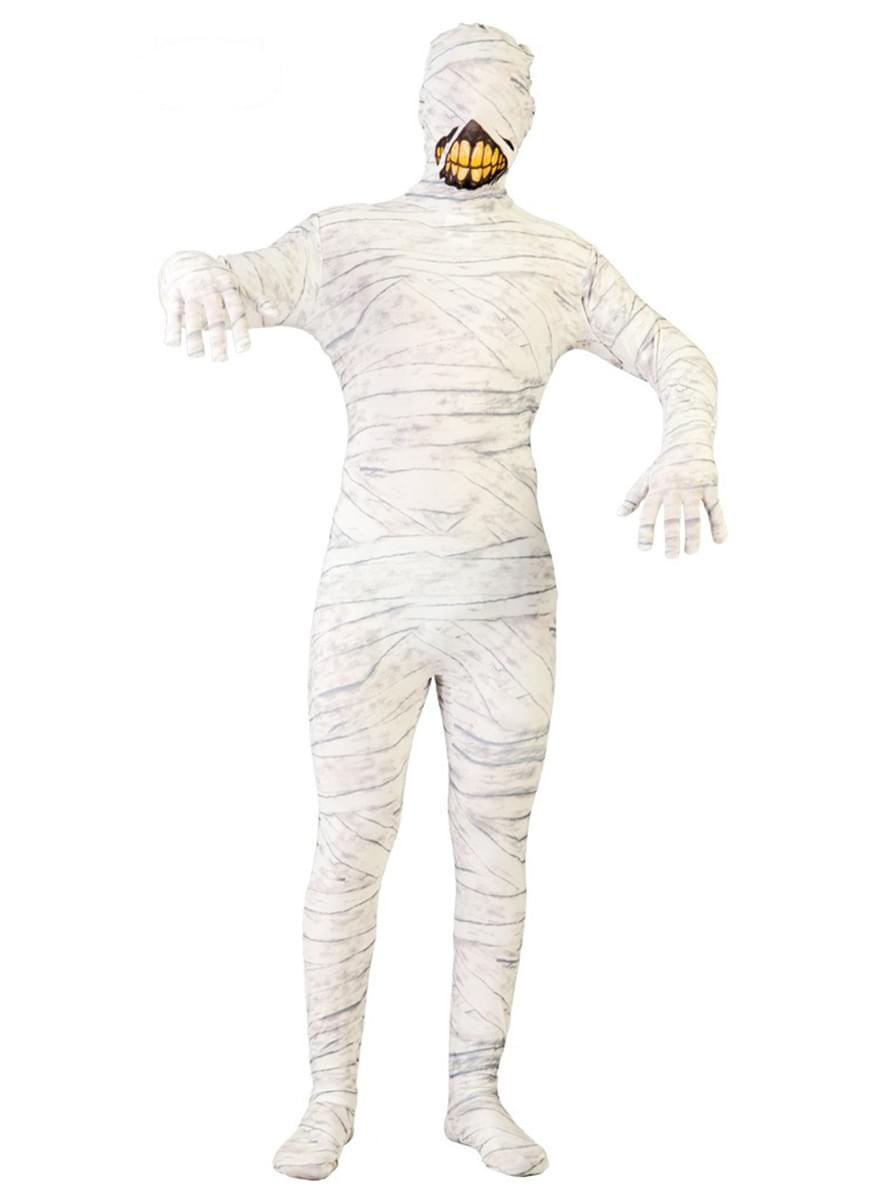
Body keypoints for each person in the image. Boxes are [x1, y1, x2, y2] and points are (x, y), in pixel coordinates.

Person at [158, 20, 727, 1180]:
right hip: (369, 597)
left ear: (525, 126)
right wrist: (186, 269)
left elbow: (678, 355)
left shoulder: (559, 261)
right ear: (425, 114)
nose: (472, 140)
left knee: (494, 845)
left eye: (495, 119)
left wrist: (690, 446)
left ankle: (474, 1093)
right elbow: (236, 274)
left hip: (502, 598)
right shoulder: (350, 242)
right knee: (349, 842)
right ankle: (328, 1099)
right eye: (457, 115)